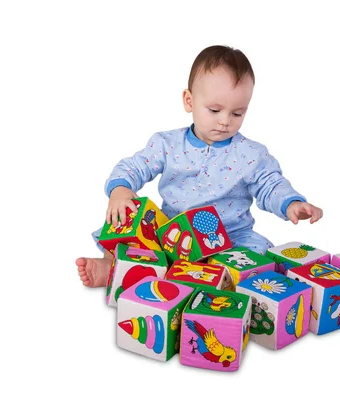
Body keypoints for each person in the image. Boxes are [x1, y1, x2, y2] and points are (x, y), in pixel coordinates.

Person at [77, 45, 323, 287]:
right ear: (189, 101)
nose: (225, 121)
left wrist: (291, 202)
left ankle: (213, 281)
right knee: (125, 230)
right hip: (173, 234)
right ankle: (110, 266)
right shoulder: (167, 143)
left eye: (238, 113)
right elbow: (135, 166)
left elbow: (270, 184)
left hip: (229, 237)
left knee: (257, 252)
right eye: (215, 110)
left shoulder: (251, 154)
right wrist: (120, 189)